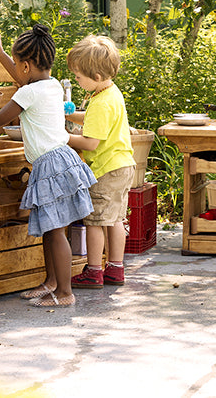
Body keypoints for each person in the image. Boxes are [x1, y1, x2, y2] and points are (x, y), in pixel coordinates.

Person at [0, 24, 96, 307]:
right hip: (63, 159)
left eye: (18, 64)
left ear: (25, 65)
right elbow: (24, 79)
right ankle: (51, 283)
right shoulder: (52, 84)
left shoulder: (27, 93)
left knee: (56, 231)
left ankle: (65, 294)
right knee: (51, 227)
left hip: (50, 165)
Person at [65, 35, 136, 288]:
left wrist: (65, 137)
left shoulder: (101, 102)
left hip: (106, 170)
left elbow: (90, 143)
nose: (76, 80)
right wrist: (72, 115)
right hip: (122, 165)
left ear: (95, 76)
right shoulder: (109, 93)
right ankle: (115, 269)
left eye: (78, 76)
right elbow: (93, 118)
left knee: (94, 221)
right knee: (115, 219)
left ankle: (94, 270)